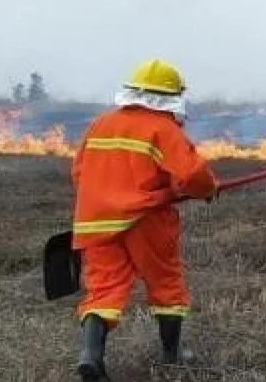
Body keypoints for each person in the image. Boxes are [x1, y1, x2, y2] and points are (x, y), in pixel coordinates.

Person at [70, 58, 219, 380]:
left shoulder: (100, 124)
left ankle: (91, 356)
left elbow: (79, 171)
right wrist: (207, 189)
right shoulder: (162, 128)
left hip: (95, 221)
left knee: (103, 288)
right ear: (171, 98)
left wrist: (103, 199)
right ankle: (172, 353)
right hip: (144, 217)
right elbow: (193, 173)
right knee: (165, 281)